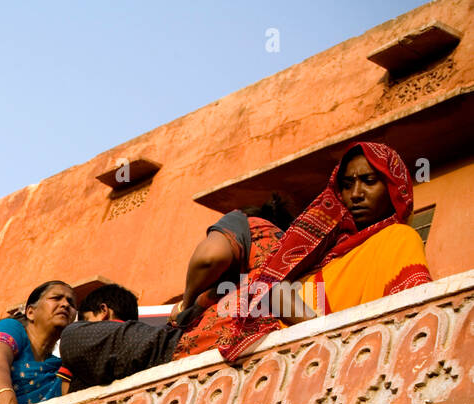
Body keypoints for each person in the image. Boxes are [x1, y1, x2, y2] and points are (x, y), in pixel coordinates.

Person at [184, 142, 432, 363]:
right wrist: (320, 334)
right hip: (272, 343)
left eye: (369, 181)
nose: (356, 194)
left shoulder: (398, 239)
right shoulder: (322, 250)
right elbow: (274, 291)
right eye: (347, 185)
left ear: (393, 187)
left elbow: (411, 318)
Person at [54, 284, 154, 393]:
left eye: (86, 321)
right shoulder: (144, 337)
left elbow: (66, 389)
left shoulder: (75, 342)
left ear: (103, 311)